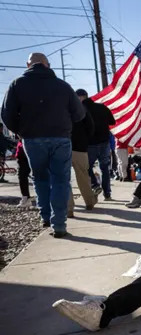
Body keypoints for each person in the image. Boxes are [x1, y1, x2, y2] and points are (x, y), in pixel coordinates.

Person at [1, 53, 85, 238]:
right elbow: (79, 114)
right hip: (61, 138)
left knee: (40, 179)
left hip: (32, 138)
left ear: (28, 64)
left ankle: (45, 216)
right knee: (61, 180)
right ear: (47, 65)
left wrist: (22, 131)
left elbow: (6, 115)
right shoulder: (63, 86)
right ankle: (59, 224)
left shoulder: (17, 85)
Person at [80, 89, 115, 201]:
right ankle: (107, 194)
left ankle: (95, 185)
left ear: (80, 97)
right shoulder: (102, 107)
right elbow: (112, 122)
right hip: (104, 142)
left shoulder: (81, 110)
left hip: (90, 144)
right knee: (105, 169)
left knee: (87, 167)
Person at [67, 89, 97, 215]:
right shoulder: (82, 109)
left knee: (64, 179)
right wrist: (85, 140)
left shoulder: (62, 110)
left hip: (64, 147)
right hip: (80, 148)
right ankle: (89, 202)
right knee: (83, 177)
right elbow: (91, 127)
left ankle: (69, 208)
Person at [15, 139, 33, 207]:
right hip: (37, 147)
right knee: (41, 175)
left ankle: (26, 198)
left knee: (22, 176)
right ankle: (26, 198)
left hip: (23, 150)